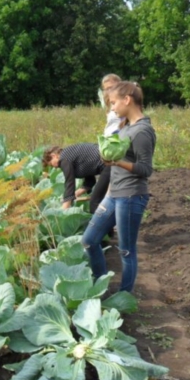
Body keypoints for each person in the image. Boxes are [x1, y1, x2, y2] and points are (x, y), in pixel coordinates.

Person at [81, 81, 156, 293]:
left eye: (114, 103)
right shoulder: (126, 127)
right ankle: (100, 287)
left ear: (127, 99)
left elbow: (145, 169)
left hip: (131, 196)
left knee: (126, 251)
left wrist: (117, 162)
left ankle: (124, 297)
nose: (112, 108)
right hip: (114, 194)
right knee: (89, 240)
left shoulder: (142, 131)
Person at [42, 143, 105, 213]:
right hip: (107, 163)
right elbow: (90, 180)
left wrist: (64, 208)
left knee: (94, 202)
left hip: (106, 164)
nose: (54, 167)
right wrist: (76, 194)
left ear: (54, 156)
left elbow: (69, 182)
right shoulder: (69, 156)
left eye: (51, 164)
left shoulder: (64, 158)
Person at [93, 73, 124, 203]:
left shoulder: (123, 101)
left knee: (100, 197)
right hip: (110, 151)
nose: (108, 90)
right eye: (105, 88)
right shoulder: (110, 104)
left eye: (111, 87)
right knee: (109, 193)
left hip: (117, 150)